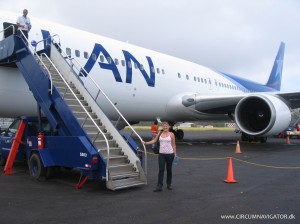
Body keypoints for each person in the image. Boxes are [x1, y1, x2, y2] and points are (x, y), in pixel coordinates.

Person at [143, 122, 177, 192]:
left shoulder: (171, 134)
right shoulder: (160, 133)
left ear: (168, 127)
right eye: (164, 126)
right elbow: (154, 140)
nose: (165, 128)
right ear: (162, 127)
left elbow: (174, 145)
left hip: (170, 154)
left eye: (166, 126)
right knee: (161, 170)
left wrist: (175, 154)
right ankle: (159, 186)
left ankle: (169, 184)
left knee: (169, 170)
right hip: (161, 154)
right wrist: (146, 143)